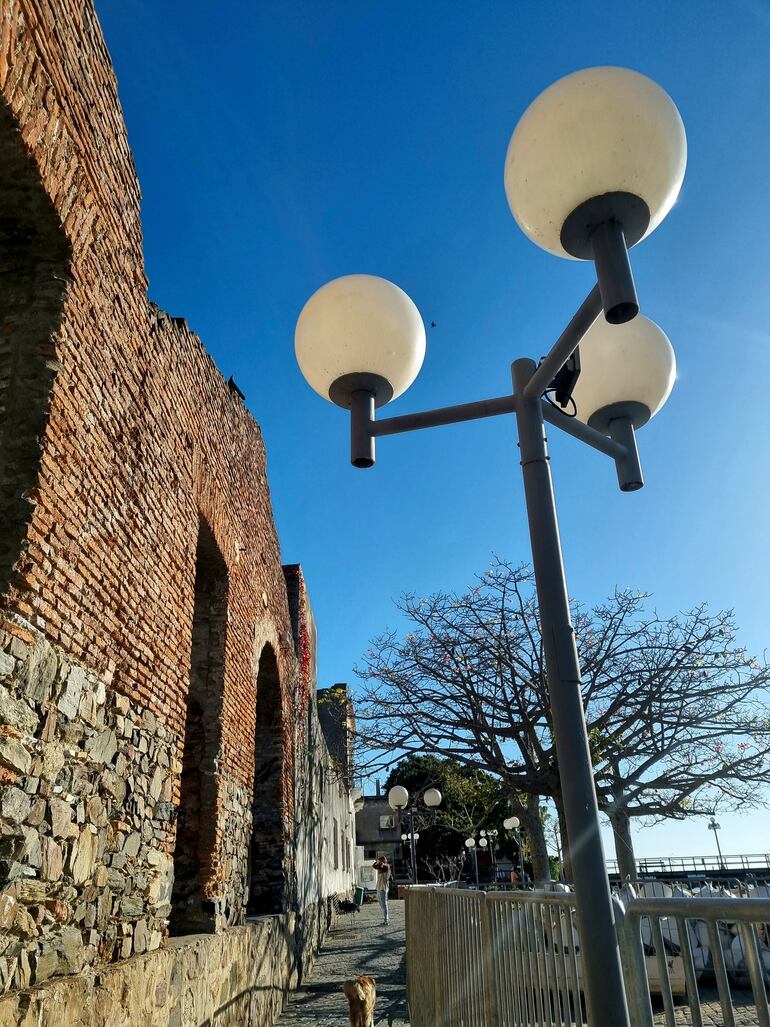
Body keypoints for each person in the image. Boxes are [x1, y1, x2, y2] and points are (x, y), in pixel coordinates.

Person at [373, 856, 391, 925]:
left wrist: (380, 863)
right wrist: (376, 862)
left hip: (383, 888)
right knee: (381, 903)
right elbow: (374, 866)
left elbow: (382, 866)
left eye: (379, 861)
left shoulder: (387, 867)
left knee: (384, 904)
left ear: (382, 861)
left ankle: (386, 920)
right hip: (379, 887)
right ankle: (386, 918)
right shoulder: (380, 868)